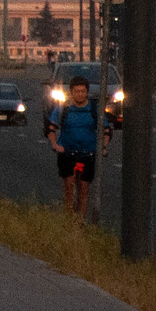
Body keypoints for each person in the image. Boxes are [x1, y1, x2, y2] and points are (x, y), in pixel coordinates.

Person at [46, 75, 109, 216]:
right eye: (76, 91)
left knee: (84, 189)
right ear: (71, 92)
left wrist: (103, 146)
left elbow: (106, 130)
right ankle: (69, 221)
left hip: (87, 154)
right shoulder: (63, 108)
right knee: (69, 187)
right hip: (68, 154)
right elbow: (51, 128)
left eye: (82, 91)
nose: (80, 94)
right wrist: (55, 144)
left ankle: (80, 222)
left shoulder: (94, 109)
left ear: (86, 92)